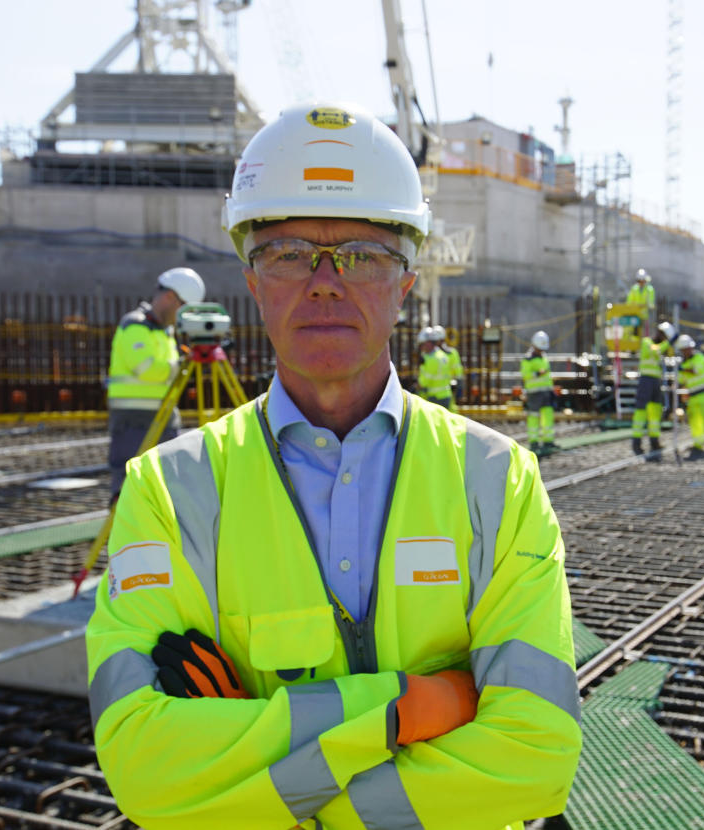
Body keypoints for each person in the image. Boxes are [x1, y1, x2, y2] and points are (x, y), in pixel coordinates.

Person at [85, 102, 580, 830]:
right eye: (288, 253)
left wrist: (262, 772)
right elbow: (143, 764)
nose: (324, 281)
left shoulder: (498, 482)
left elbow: (535, 759)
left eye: (363, 256)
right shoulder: (169, 489)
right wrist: (416, 706)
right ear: (253, 280)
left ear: (404, 282)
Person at [105, 267, 205, 503]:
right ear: (170, 297)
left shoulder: (165, 332)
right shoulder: (135, 325)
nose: (183, 316)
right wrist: (181, 364)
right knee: (130, 485)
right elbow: (147, 369)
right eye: (183, 307)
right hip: (134, 419)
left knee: (168, 482)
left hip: (164, 416)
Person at [672, 329, 704, 459]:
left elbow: (695, 370)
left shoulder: (699, 357)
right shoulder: (683, 364)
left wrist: (682, 369)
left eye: (688, 348)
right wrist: (675, 384)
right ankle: (698, 444)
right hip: (693, 396)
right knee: (695, 422)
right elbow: (681, 380)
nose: (687, 351)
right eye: (684, 349)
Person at [632, 322, 674, 460]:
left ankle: (654, 441)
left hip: (656, 381)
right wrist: (668, 343)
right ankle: (636, 442)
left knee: (655, 411)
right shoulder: (647, 342)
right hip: (646, 380)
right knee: (641, 410)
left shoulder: (660, 345)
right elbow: (655, 350)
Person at [521, 330, 557, 455]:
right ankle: (534, 441)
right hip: (534, 393)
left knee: (548, 416)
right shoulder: (528, 359)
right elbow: (525, 375)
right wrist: (537, 373)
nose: (541, 350)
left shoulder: (544, 357)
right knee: (534, 417)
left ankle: (548, 440)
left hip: (546, 392)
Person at [417, 325, 455, 409]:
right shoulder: (442, 355)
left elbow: (424, 382)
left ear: (429, 343)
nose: (422, 348)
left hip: (436, 398)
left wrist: (416, 387)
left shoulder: (431, 359)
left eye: (422, 344)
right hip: (445, 395)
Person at [435, 324, 466, 402]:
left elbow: (458, 371)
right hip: (434, 392)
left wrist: (459, 386)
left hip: (448, 390)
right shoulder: (430, 355)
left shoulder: (451, 353)